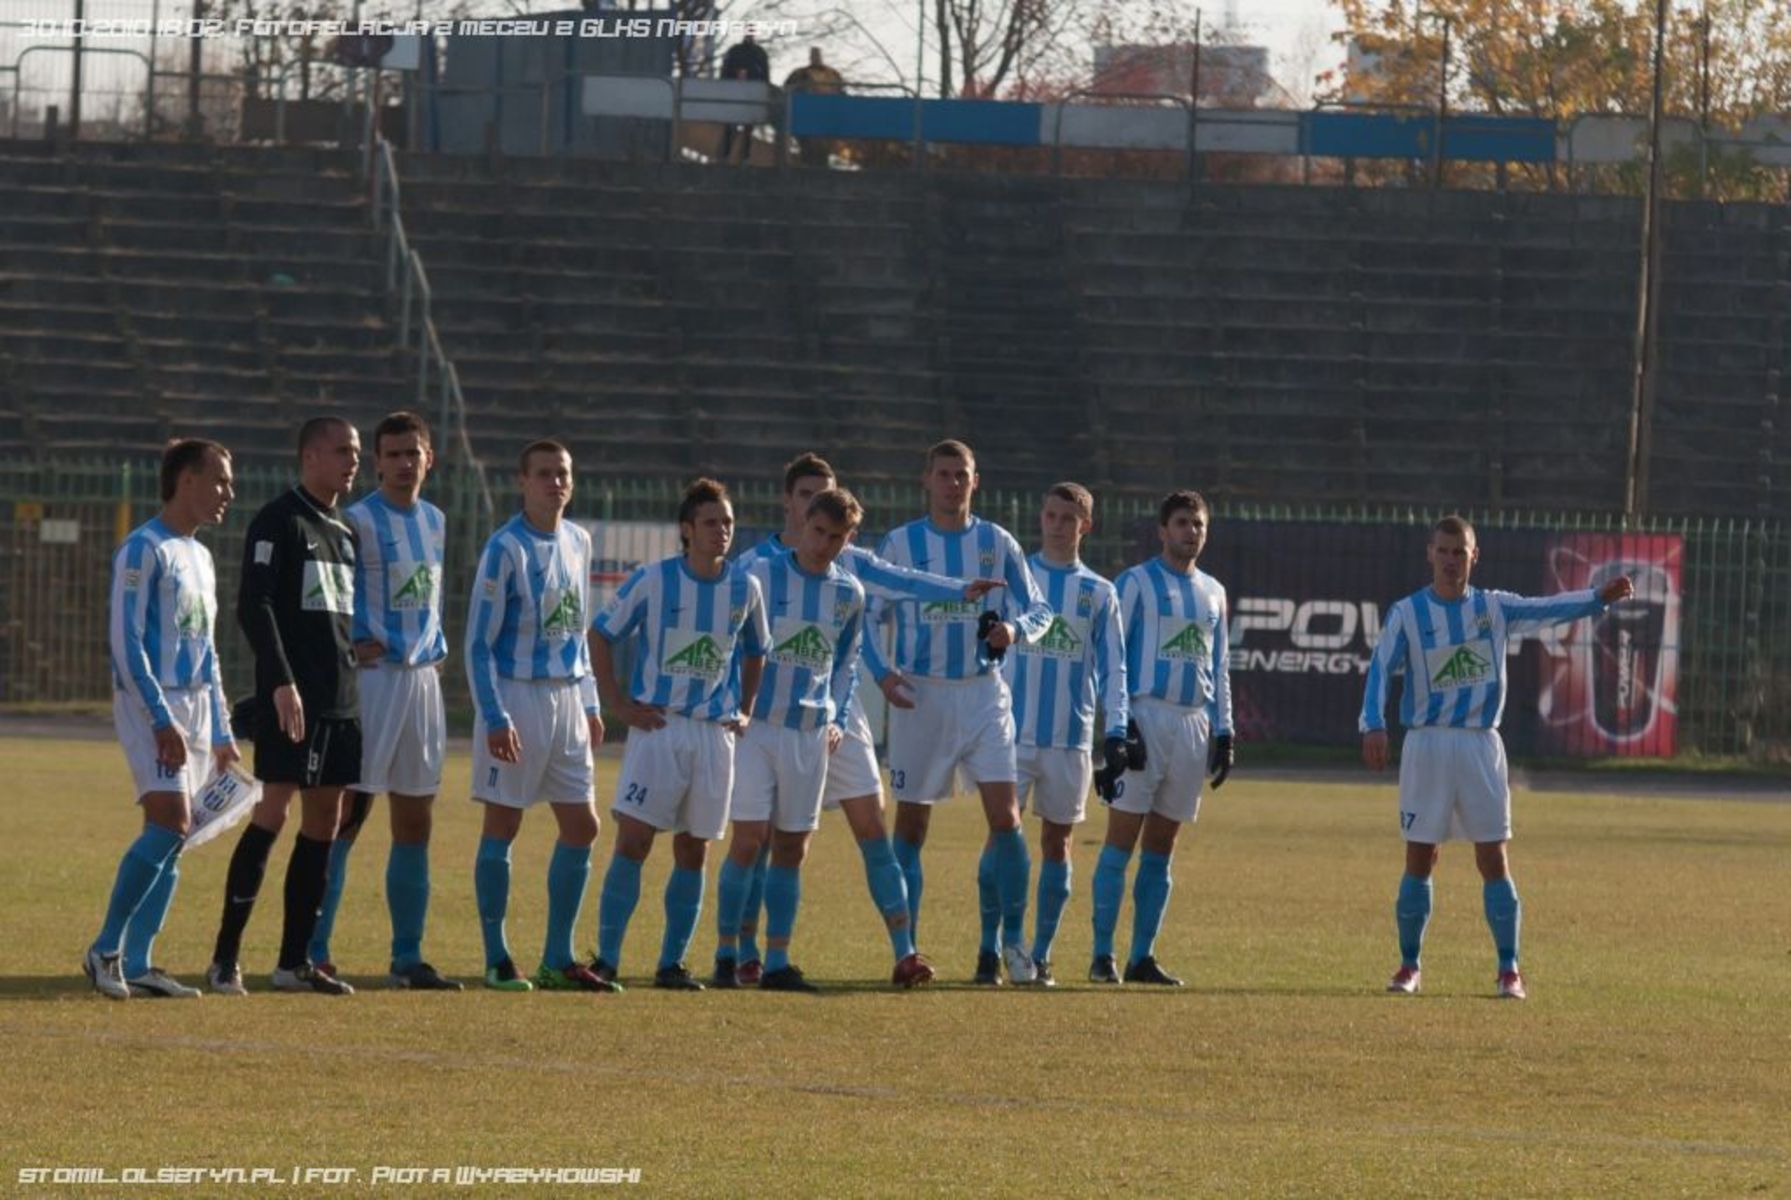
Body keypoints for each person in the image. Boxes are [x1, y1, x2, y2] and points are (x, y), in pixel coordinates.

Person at [728, 453, 1003, 987]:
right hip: (770, 714)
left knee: (873, 827)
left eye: (828, 495)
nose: (820, 507)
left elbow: (903, 580)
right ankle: (745, 951)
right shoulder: (758, 564)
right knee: (760, 838)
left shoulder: (847, 562)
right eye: (809, 496)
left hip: (835, 713)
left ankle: (905, 950)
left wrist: (958, 590)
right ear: (791, 502)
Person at [1360, 515, 1633, 1000]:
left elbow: (1548, 607)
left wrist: (1596, 598)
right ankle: (1409, 966)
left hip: (1481, 745)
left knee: (1493, 857)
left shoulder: (1494, 608)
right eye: (1442, 551)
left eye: (1458, 552)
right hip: (1427, 743)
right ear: (1430, 554)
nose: (1450, 560)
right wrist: (1374, 723)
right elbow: (1380, 667)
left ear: (1473, 556)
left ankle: (1509, 969)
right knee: (1421, 856)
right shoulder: (1407, 613)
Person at [868, 439, 1054, 985]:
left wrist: (1015, 629)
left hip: (983, 692)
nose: (953, 483)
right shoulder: (901, 544)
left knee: (1007, 819)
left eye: (962, 475)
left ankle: (1013, 946)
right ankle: (909, 948)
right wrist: (883, 673)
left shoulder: (997, 542)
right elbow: (866, 616)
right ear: (926, 480)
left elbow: (1041, 606)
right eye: (944, 474)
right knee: (913, 821)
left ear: (977, 480)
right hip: (920, 695)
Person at [590, 478, 768, 991]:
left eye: (728, 523)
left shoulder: (744, 587)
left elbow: (757, 650)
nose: (722, 532)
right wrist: (619, 703)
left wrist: (748, 710)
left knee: (695, 850)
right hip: (660, 728)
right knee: (635, 841)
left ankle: (672, 964)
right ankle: (606, 959)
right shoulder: (653, 580)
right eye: (711, 523)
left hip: (715, 735)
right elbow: (600, 634)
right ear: (687, 531)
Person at [207, 417, 364, 996]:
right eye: (341, 450)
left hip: (342, 699)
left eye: (355, 451)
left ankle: (293, 961)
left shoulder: (346, 529)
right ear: (309, 457)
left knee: (327, 818)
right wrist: (280, 681)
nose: (353, 460)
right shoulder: (280, 519)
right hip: (294, 696)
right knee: (273, 809)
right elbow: (256, 605)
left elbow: (336, 617)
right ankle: (225, 957)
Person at [306, 411, 460, 990]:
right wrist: (348, 646)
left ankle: (408, 956)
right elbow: (326, 598)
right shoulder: (356, 521)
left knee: (415, 820)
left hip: (421, 680)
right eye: (391, 455)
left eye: (411, 454)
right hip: (372, 683)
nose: (402, 464)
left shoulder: (436, 521)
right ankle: (315, 948)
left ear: (429, 460)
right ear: (377, 462)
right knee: (346, 814)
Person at [85, 438, 240, 1000]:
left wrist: (221, 730)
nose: (229, 491)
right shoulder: (142, 549)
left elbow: (209, 649)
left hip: (196, 706)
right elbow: (126, 642)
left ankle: (143, 961)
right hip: (153, 702)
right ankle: (104, 949)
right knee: (169, 823)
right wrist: (158, 717)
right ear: (187, 480)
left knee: (178, 838)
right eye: (220, 479)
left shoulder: (200, 556)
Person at [466, 440, 611, 994]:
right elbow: (478, 643)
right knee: (503, 824)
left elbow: (577, 627)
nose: (556, 483)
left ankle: (558, 956)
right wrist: (495, 715)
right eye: (545, 474)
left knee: (583, 825)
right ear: (522, 481)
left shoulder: (579, 540)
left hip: (569, 699)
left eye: (563, 474)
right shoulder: (505, 548)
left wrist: (592, 702)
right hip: (518, 697)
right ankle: (497, 955)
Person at [710, 487, 866, 991]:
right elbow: (732, 643)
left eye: (837, 537)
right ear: (803, 526)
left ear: (849, 539)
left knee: (792, 848)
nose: (825, 544)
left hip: (809, 734)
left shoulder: (849, 594)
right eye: (818, 532)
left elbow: (845, 664)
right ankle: (727, 953)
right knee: (749, 840)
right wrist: (733, 703)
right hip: (757, 728)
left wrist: (838, 716)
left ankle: (777, 960)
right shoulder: (761, 574)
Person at [1093, 490, 1235, 987]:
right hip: (1146, 716)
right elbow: (1112, 657)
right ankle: (1101, 955)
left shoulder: (1214, 592)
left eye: (1197, 524)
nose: (1190, 531)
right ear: (1162, 530)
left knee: (1162, 845)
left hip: (1193, 722)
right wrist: (1119, 723)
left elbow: (1218, 665)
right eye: (1181, 523)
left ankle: (1141, 957)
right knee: (1121, 839)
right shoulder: (1134, 584)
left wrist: (1224, 729)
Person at [995, 482, 1128, 987]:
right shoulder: (1015, 579)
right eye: (1050, 515)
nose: (1056, 525)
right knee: (1002, 840)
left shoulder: (1099, 592)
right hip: (1011, 733)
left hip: (1069, 737)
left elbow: (1115, 670)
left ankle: (1042, 952)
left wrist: (1115, 730)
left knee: (1058, 842)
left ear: (1085, 526)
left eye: (1067, 518)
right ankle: (994, 947)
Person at [782, 46, 844, 166]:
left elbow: (841, 92)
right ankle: (807, 171)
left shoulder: (832, 74)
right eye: (813, 55)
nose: (815, 57)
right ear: (810, 57)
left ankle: (821, 171)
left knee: (823, 149)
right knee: (808, 148)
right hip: (807, 116)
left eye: (817, 54)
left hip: (827, 116)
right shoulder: (800, 74)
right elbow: (787, 89)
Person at [717, 33, 771, 164]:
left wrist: (763, 91)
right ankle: (726, 155)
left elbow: (765, 74)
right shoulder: (736, 51)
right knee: (731, 126)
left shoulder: (758, 52)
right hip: (735, 91)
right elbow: (725, 70)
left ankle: (743, 157)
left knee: (747, 127)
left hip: (751, 93)